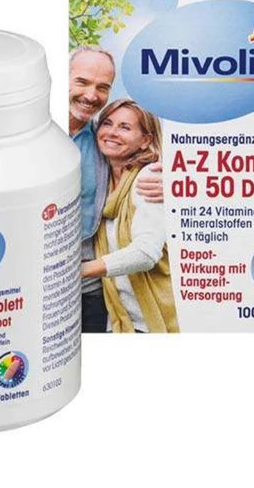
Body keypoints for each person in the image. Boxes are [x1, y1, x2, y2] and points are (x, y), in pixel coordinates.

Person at [68, 47, 164, 332]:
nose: (91, 95)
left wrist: (180, 184)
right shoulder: (30, 132)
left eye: (102, 87)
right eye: (82, 82)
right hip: (32, 282)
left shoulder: (100, 140)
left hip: (90, 293)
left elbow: (146, 151)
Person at [81, 99, 178, 333]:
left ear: (146, 140)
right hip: (122, 319)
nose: (112, 132)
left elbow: (145, 253)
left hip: (152, 319)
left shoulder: (149, 178)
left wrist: (79, 271)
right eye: (107, 123)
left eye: (125, 127)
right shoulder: (104, 185)